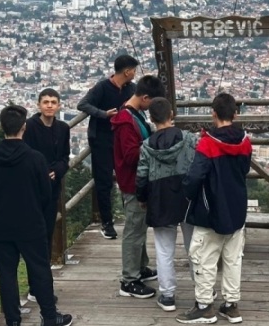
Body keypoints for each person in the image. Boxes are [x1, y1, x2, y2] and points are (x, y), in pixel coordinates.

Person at [0, 105, 73, 326]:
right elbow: (45, 193)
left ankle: (12, 324)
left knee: (7, 274)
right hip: (31, 222)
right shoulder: (35, 159)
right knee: (40, 269)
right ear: (24, 128)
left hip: (1, 225)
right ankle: (49, 318)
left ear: (1, 127)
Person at [176, 93, 252, 325]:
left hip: (210, 209)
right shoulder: (245, 141)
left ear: (213, 113)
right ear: (235, 114)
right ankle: (231, 305)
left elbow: (196, 175)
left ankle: (203, 306)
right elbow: (245, 169)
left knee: (203, 257)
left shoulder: (208, 142)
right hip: (237, 206)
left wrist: (188, 194)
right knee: (233, 258)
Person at [136, 97, 199, 312]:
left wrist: (142, 198)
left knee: (164, 250)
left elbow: (141, 176)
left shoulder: (146, 146)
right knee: (196, 248)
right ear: (171, 115)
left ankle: (168, 295)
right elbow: (200, 165)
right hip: (188, 196)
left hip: (160, 198)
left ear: (152, 119)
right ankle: (202, 289)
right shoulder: (189, 138)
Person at [112, 74, 166, 299]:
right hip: (132, 181)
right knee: (134, 230)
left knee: (140, 227)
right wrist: (154, 144)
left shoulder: (134, 113)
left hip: (138, 180)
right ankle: (129, 279)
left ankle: (140, 267)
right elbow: (131, 154)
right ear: (145, 98)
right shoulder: (126, 122)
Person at [77, 54, 139, 240]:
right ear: (127, 71)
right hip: (102, 139)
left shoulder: (131, 89)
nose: (135, 73)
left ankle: (130, 219)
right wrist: (103, 114)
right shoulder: (103, 87)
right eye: (134, 70)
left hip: (122, 139)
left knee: (126, 178)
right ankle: (107, 222)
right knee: (104, 182)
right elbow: (83, 104)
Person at [22, 88, 70, 263]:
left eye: (53, 102)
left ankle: (45, 272)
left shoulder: (63, 128)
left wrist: (57, 171)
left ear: (58, 106)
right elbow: (26, 154)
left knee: (48, 230)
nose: (49, 106)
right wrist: (41, 172)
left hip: (53, 186)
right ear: (39, 105)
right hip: (33, 187)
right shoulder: (29, 127)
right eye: (46, 102)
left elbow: (65, 157)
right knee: (35, 232)